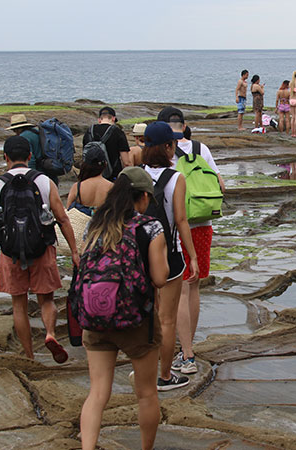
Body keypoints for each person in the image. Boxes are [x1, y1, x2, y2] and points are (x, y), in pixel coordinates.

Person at [77, 167, 170, 450]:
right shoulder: (150, 228)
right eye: (147, 199)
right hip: (137, 319)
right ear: (142, 196)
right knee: (146, 394)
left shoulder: (95, 226)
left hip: (96, 317)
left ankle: (88, 447)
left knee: (97, 392)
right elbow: (160, 278)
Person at [0, 136, 80, 362]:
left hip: (10, 253)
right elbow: (63, 219)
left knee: (19, 305)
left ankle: (30, 356)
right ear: (30, 156)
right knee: (47, 300)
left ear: (5, 157)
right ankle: (50, 334)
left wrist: (2, 239)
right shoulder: (44, 182)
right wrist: (73, 250)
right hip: (42, 248)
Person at [157, 107, 225, 376]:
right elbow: (220, 183)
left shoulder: (165, 152)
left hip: (177, 228)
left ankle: (186, 354)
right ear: (183, 125)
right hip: (203, 226)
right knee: (193, 287)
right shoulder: (201, 148)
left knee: (180, 290)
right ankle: (188, 346)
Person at [141, 121, 200, 390]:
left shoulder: (133, 175)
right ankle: (164, 376)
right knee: (167, 319)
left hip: (139, 255)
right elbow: (180, 219)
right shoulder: (176, 178)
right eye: (172, 143)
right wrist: (193, 256)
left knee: (145, 317)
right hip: (169, 255)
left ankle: (142, 372)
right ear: (168, 147)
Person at [59, 144, 114, 255]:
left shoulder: (78, 187)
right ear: (105, 164)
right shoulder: (112, 187)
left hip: (80, 237)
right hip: (104, 235)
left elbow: (69, 212)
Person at [83, 107, 131, 180]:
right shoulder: (118, 132)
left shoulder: (89, 131)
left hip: (90, 176)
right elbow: (126, 162)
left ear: (99, 119)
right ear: (113, 119)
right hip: (112, 176)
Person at [6, 114, 51, 181]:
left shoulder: (24, 137)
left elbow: (31, 160)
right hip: (49, 167)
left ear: (17, 129)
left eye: (14, 130)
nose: (15, 132)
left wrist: (31, 177)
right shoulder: (35, 131)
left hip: (40, 169)